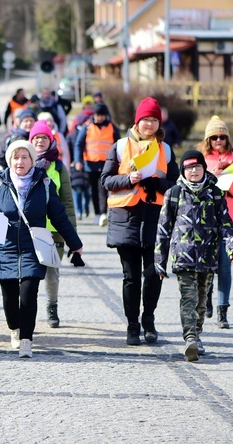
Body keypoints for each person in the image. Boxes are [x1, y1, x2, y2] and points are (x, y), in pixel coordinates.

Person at [0, 140, 83, 358]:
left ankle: (27, 339)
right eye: (16, 157)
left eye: (25, 157)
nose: (20, 161)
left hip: (33, 246)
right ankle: (14, 329)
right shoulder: (0, 183)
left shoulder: (44, 184)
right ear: (10, 160)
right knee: (9, 297)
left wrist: (75, 243)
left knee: (29, 293)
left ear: (32, 160)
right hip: (5, 246)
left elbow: (59, 216)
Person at [101, 97, 179, 346]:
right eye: (146, 119)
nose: (150, 124)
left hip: (155, 218)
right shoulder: (121, 146)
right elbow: (106, 181)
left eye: (154, 119)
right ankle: (132, 325)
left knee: (154, 273)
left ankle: (149, 320)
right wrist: (129, 179)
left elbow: (177, 186)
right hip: (127, 219)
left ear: (159, 123)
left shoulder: (165, 150)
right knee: (131, 277)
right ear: (138, 120)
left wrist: (157, 183)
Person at [155, 150, 233, 361]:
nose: (194, 171)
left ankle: (197, 335)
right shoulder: (174, 193)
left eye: (198, 167)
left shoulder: (216, 194)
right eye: (189, 167)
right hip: (183, 258)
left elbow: (226, 224)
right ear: (183, 170)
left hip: (208, 257)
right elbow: (163, 229)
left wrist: (232, 248)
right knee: (188, 298)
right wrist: (159, 261)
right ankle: (190, 337)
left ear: (204, 169)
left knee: (202, 300)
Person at [197, 116, 233, 328]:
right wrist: (212, 177)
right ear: (208, 139)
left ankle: (223, 310)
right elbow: (194, 188)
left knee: (225, 266)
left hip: (230, 219)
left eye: (222, 136)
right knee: (207, 263)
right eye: (214, 137)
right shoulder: (201, 158)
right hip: (206, 219)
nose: (219, 140)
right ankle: (207, 297)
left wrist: (228, 184)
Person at [28, 121, 77, 328]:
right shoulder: (23, 162)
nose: (40, 141)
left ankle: (52, 306)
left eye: (44, 138)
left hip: (54, 229)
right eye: (36, 138)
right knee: (29, 273)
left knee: (51, 273)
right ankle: (28, 310)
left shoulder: (58, 166)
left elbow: (67, 200)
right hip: (30, 228)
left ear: (51, 141)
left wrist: (71, 234)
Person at [74, 103, 120, 226]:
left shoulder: (112, 127)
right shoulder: (87, 127)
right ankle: (97, 214)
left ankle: (104, 213)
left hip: (107, 164)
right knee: (93, 190)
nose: (99, 118)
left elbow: (119, 146)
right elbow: (78, 144)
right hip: (90, 164)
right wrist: (78, 161)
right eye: (97, 115)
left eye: (102, 115)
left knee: (104, 189)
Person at [0, 108, 37, 175]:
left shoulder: (38, 138)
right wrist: (1, 172)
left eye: (31, 121)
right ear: (20, 123)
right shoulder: (11, 137)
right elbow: (1, 158)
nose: (29, 123)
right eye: (26, 121)